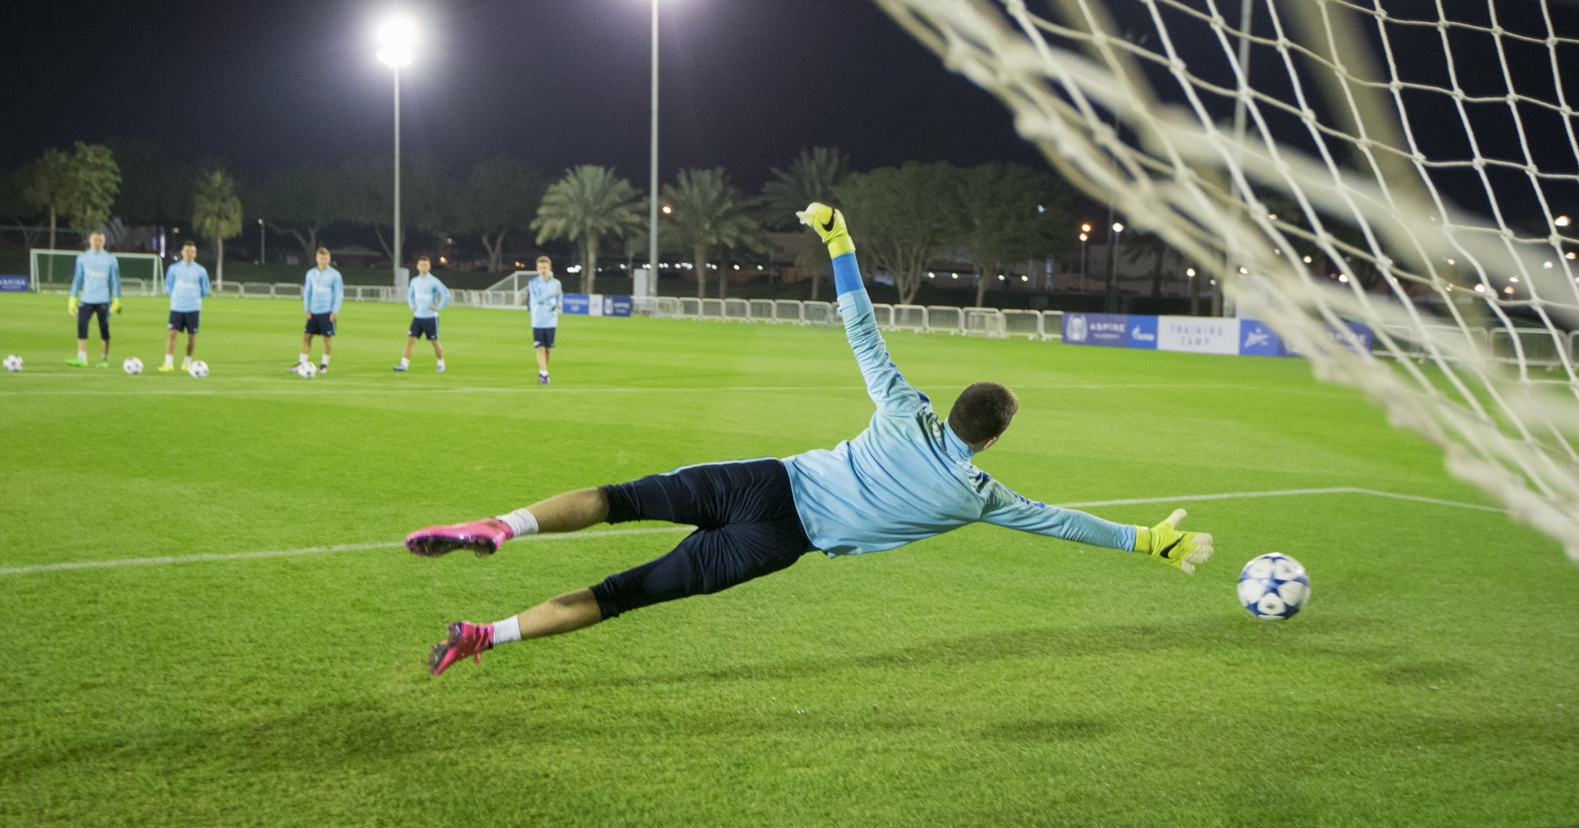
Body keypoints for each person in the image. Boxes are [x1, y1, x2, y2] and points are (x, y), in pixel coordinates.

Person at [407, 204, 1214, 676]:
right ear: (992, 442)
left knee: (619, 500)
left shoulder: (904, 409)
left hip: (763, 480)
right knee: (625, 594)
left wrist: (839, 240)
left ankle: (503, 526)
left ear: (952, 406)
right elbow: (1063, 522)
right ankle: (488, 636)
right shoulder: (978, 496)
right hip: (783, 539)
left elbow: (860, 325)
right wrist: (1146, 541)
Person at [66, 230, 121, 367]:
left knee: (104, 329)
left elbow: (116, 281)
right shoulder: (82, 258)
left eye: (100, 240)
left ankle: (104, 359)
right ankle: (81, 357)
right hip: (86, 299)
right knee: (82, 325)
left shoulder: (110, 259)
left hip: (104, 300)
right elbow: (78, 279)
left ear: (104, 242)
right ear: (90, 240)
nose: (97, 243)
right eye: (95, 240)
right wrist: (72, 298)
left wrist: (117, 299)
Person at [159, 241, 210, 373]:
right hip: (177, 307)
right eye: (187, 251)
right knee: (171, 334)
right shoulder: (174, 268)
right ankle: (168, 363)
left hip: (193, 308)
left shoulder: (201, 271)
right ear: (182, 252)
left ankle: (187, 362)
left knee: (192, 336)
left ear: (195, 253)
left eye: (192, 251)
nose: (189, 254)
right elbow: (168, 286)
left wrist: (194, 298)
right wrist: (177, 297)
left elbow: (205, 289)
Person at [291, 247, 344, 374]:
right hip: (313, 311)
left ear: (329, 259)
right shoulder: (310, 274)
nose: (324, 261)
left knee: (327, 339)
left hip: (327, 312)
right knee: (307, 336)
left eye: (326, 259)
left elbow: (339, 294)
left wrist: (335, 311)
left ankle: (324, 365)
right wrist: (306, 309)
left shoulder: (335, 275)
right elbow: (307, 292)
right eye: (321, 259)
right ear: (316, 259)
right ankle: (302, 362)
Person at [394, 256, 449, 373]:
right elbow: (410, 295)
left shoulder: (434, 281)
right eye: (421, 265)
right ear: (417, 266)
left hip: (430, 317)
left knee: (434, 342)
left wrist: (438, 308)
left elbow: (446, 294)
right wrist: (411, 305)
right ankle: (404, 364)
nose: (423, 267)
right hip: (418, 317)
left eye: (426, 265)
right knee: (410, 340)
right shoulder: (414, 281)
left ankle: (441, 364)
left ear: (429, 266)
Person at [527, 254, 561, 385]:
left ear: (549, 268)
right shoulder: (534, 283)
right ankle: (545, 374)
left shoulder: (556, 283)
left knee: (548, 349)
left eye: (545, 267)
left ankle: (542, 371)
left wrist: (558, 304)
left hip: (551, 320)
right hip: (538, 319)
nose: (542, 270)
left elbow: (558, 300)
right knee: (540, 347)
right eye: (540, 267)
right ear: (537, 268)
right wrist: (552, 294)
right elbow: (538, 299)